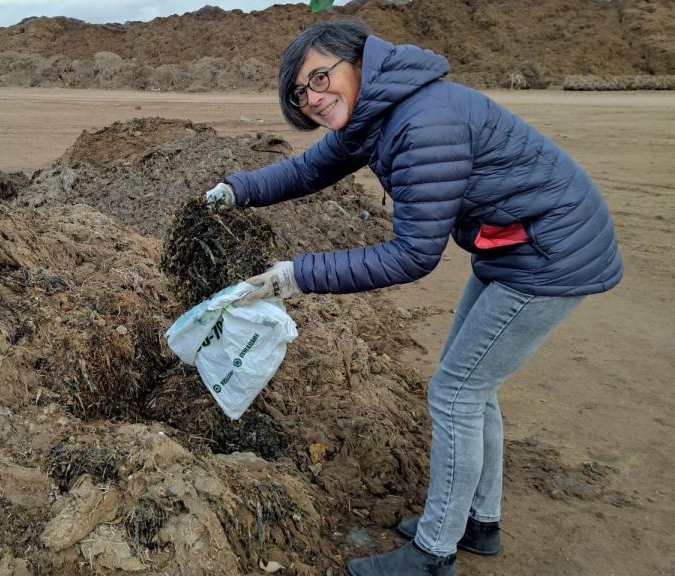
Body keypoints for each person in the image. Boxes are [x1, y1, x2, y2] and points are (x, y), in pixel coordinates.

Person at [204, 19, 622, 576]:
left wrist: (294, 275)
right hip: (513, 244)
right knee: (473, 385)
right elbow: (309, 168)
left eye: (321, 78)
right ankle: (480, 520)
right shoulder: (379, 114)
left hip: (550, 255)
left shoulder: (425, 121)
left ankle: (433, 554)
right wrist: (238, 189)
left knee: (455, 393)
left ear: (361, 63)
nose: (313, 98)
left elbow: (412, 254)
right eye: (301, 94)